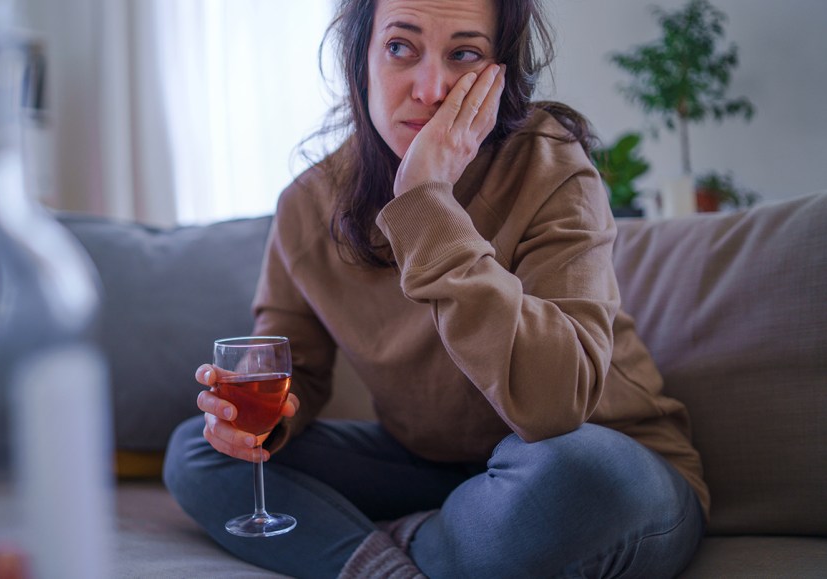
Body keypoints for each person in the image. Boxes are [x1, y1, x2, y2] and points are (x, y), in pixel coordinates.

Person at [164, 0, 708, 576]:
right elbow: (294, 368)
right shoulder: (308, 202)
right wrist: (255, 423)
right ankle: (402, 562)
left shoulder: (550, 167)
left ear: (501, 73)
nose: (430, 89)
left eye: (465, 55)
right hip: (429, 467)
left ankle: (423, 539)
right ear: (360, 60)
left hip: (584, 456)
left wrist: (425, 203)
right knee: (197, 451)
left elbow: (555, 406)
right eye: (401, 47)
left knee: (580, 484)